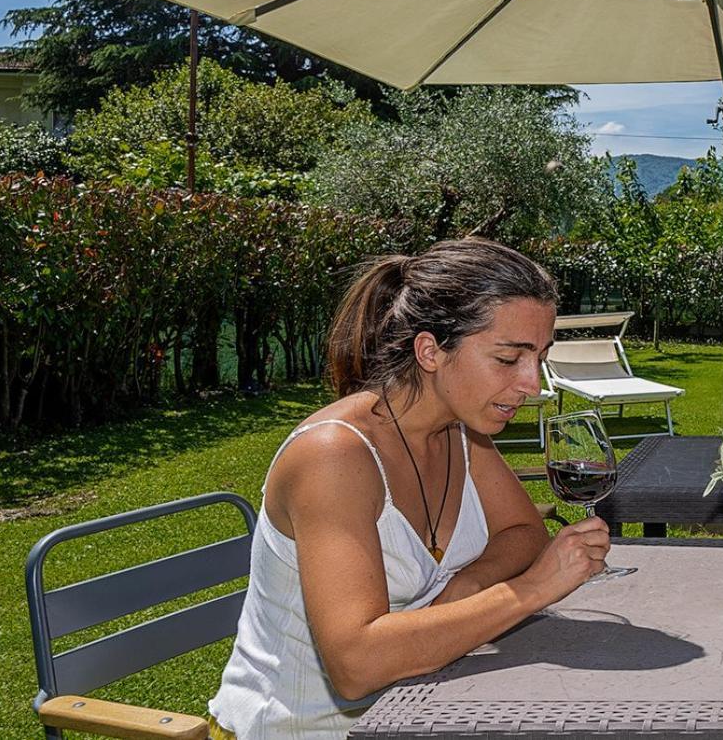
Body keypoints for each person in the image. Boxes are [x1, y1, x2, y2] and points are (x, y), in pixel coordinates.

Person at [208, 238, 610, 739]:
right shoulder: (334, 457)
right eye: (509, 359)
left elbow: (522, 531)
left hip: (426, 712)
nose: (533, 383)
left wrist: (464, 589)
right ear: (430, 351)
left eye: (540, 357)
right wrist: (528, 591)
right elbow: (357, 666)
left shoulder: (462, 433)